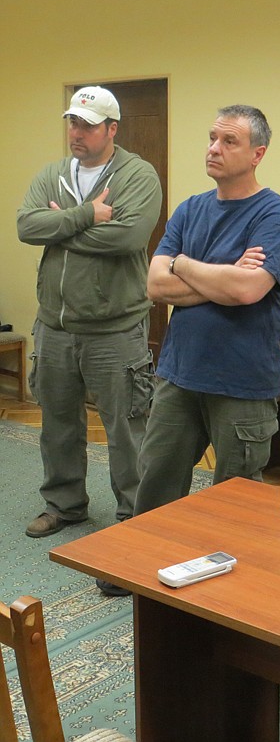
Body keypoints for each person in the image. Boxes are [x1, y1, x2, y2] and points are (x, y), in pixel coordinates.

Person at [133, 105, 280, 516]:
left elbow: (246, 290)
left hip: (241, 381)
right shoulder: (190, 209)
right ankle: (135, 573)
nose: (214, 148)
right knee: (155, 481)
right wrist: (221, 279)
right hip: (180, 373)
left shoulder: (273, 214)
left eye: (229, 141)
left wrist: (183, 264)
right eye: (211, 138)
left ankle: (228, 578)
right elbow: (155, 284)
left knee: (234, 500)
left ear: (257, 154)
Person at [17, 87, 162, 552]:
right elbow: (26, 227)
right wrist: (87, 216)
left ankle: (133, 512)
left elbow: (128, 238)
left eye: (87, 125)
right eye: (72, 123)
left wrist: (61, 229)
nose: (75, 133)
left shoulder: (138, 175)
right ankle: (63, 504)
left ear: (112, 129)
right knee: (57, 423)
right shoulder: (53, 174)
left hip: (115, 329)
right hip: (55, 327)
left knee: (127, 428)